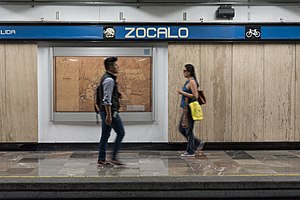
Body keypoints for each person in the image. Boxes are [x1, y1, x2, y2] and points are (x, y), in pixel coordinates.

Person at [98, 57, 125, 165]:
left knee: (105, 134)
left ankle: (102, 158)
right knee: (121, 132)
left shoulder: (108, 78)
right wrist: (109, 116)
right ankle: (112, 157)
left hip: (106, 112)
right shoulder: (109, 80)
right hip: (109, 112)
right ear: (110, 67)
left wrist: (117, 95)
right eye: (116, 65)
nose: (118, 67)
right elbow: (106, 99)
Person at [177, 64, 205, 157]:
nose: (183, 72)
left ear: (189, 71)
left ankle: (191, 151)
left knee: (187, 129)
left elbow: (195, 96)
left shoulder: (192, 82)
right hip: (186, 108)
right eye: (183, 70)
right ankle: (196, 143)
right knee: (182, 128)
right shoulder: (188, 81)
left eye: (185, 71)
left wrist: (182, 92)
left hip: (190, 108)